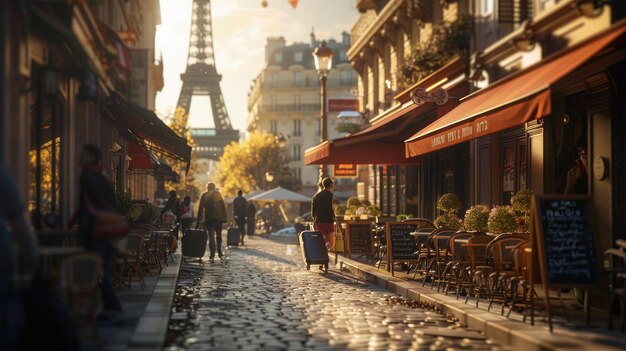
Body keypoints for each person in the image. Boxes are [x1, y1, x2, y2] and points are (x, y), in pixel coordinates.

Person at [74, 144, 123, 323]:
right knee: (103, 270)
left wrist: (84, 231)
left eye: (83, 153)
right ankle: (108, 307)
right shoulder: (102, 176)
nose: (80, 156)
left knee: (99, 271)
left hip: (96, 231)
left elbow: (88, 207)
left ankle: (111, 307)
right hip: (107, 230)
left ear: (91, 156)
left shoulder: (87, 177)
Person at [197, 182, 227, 262]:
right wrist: (225, 217)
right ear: (214, 188)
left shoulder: (204, 195)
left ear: (207, 188)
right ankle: (219, 250)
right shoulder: (218, 194)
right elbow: (223, 206)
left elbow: (200, 209)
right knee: (219, 235)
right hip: (218, 219)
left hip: (209, 219)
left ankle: (212, 253)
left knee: (211, 236)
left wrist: (198, 221)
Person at [311, 177, 336, 250]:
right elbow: (328, 207)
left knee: (322, 241)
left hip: (318, 222)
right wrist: (333, 217)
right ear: (331, 185)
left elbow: (313, 212)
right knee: (331, 243)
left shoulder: (316, 195)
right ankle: (321, 252)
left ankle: (320, 253)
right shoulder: (329, 194)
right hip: (327, 222)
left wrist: (315, 218)